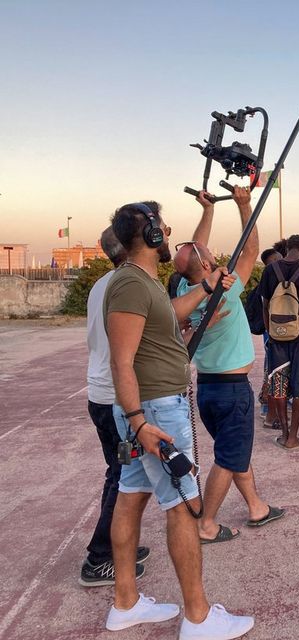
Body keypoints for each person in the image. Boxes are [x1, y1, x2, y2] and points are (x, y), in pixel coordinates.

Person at [104, 201, 253, 638]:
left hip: (147, 409)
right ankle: (198, 617)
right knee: (186, 507)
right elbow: (121, 361)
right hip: (152, 411)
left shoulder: (142, 282)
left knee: (131, 496)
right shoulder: (132, 285)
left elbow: (169, 315)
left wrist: (207, 286)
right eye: (163, 228)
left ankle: (125, 602)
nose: (168, 233)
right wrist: (138, 421)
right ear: (150, 235)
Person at [174, 187, 284, 546]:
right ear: (206, 266)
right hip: (232, 389)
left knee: (233, 448)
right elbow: (251, 250)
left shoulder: (183, 290)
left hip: (207, 387)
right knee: (228, 456)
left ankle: (256, 506)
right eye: (207, 255)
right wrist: (244, 205)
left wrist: (207, 211)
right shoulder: (227, 287)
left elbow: (194, 250)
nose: (210, 252)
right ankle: (206, 523)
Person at [81, 226, 151, 587]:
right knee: (123, 478)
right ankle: (100, 558)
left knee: (121, 473)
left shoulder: (103, 283)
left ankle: (118, 544)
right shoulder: (126, 284)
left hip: (102, 396)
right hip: (116, 403)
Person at [259, 234, 299, 449]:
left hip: (277, 334)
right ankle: (294, 438)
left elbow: (265, 304)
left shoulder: (270, 270)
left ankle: (283, 433)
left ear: (287, 248)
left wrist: (270, 331)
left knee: (279, 383)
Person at [258, 245, 285, 428]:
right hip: (272, 335)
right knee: (273, 373)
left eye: (279, 258)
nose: (278, 262)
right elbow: (265, 310)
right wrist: (270, 335)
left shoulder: (280, 281)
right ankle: (268, 411)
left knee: (276, 372)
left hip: (278, 333)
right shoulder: (268, 284)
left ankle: (271, 409)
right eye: (274, 261)